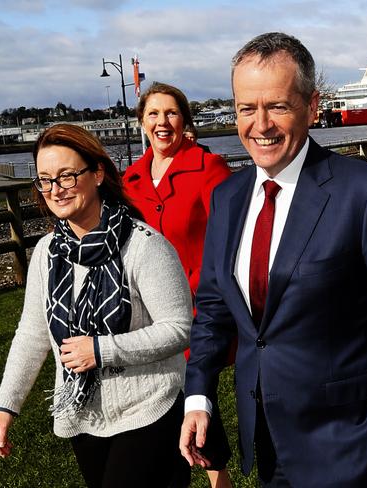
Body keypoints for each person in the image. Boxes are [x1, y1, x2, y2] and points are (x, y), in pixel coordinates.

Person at [180, 32, 367, 488]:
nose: (259, 124)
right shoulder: (226, 198)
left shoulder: (361, 193)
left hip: (351, 439)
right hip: (266, 437)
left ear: (311, 105)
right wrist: (198, 394)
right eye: (247, 108)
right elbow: (213, 311)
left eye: (277, 106)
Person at [0, 123, 193, 488]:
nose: (55, 190)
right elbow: (32, 334)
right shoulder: (47, 254)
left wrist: (102, 350)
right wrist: (6, 405)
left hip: (148, 409)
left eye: (67, 176)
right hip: (84, 415)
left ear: (97, 173)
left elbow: (177, 328)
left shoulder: (144, 246)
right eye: (45, 180)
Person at [123, 82, 233, 488]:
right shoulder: (129, 180)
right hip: (147, 317)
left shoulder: (210, 169)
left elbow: (233, 237)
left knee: (198, 407)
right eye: (153, 114)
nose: (162, 122)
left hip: (198, 311)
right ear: (142, 122)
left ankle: (219, 479)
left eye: (171, 113)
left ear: (185, 120)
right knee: (162, 412)